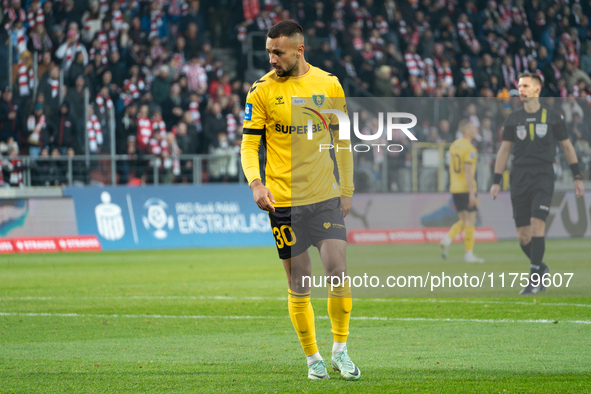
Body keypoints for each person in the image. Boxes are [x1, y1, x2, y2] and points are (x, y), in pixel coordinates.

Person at [240, 21, 359, 381]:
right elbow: (249, 144)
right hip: (283, 202)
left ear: (299, 50)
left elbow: (342, 141)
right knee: (300, 280)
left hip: (324, 196)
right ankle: (313, 358)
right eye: (269, 52)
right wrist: (256, 183)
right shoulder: (260, 91)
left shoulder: (328, 84)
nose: (272, 58)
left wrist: (347, 189)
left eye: (278, 52)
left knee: (337, 269)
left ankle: (340, 349)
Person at [490, 72, 585, 295]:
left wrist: (577, 176)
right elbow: (504, 150)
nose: (520, 90)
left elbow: (567, 146)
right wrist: (496, 180)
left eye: (525, 85)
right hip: (519, 176)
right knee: (523, 236)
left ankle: (534, 280)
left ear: (537, 90)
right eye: (519, 86)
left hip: (543, 174)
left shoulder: (553, 117)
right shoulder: (512, 118)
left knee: (536, 225)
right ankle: (541, 268)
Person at [440, 119, 485, 263]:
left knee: (463, 220)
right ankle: (468, 254)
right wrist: (472, 193)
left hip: (455, 188)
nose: (475, 130)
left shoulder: (454, 145)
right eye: (472, 128)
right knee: (470, 221)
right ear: (466, 130)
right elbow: (468, 172)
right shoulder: (469, 148)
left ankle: (448, 239)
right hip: (466, 188)